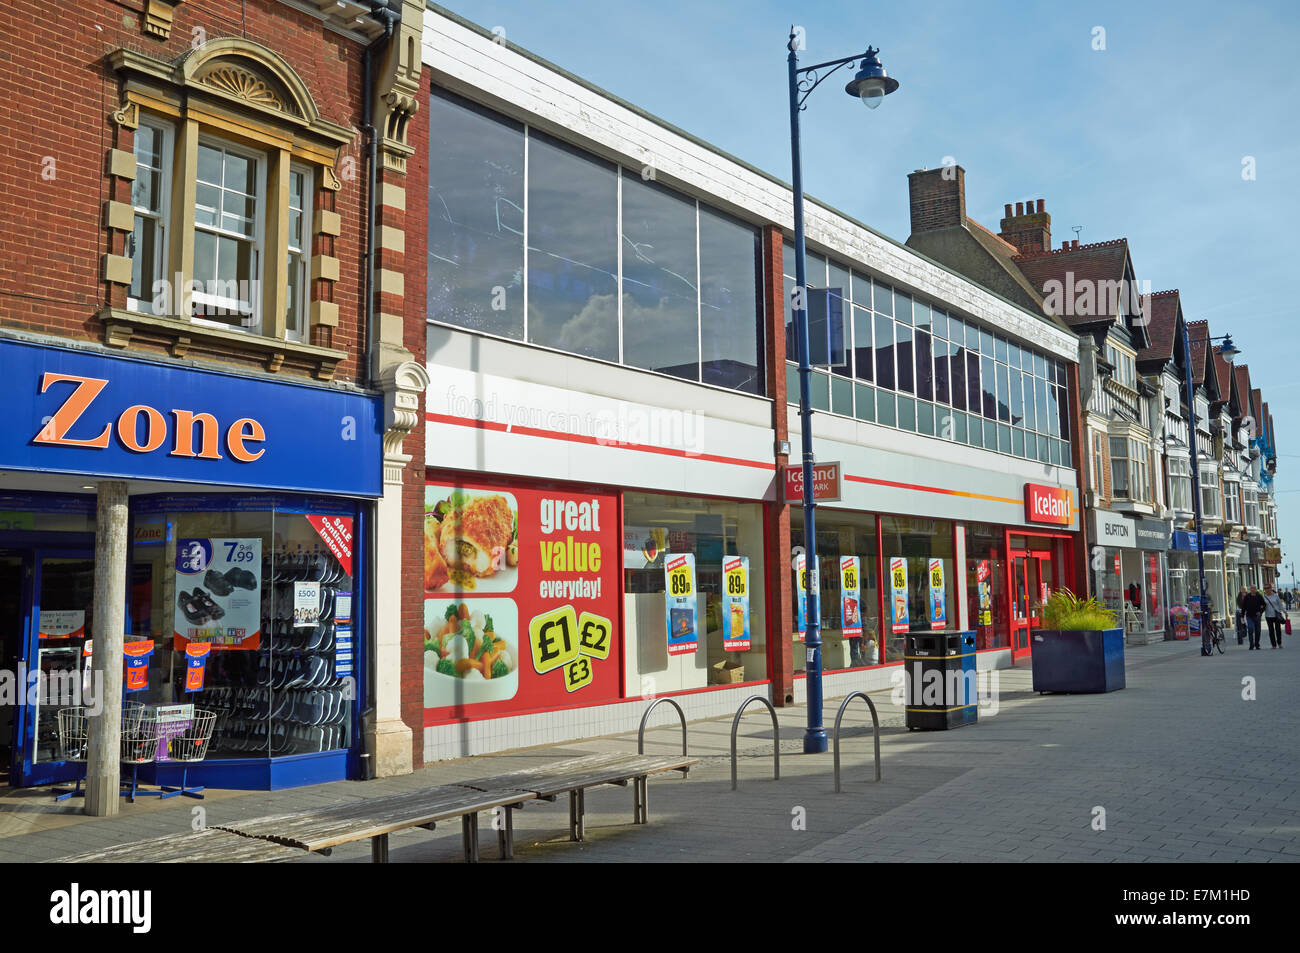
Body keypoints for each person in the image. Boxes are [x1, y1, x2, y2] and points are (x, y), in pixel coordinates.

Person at [1242, 585, 1266, 651]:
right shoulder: (1247, 597)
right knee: (1250, 629)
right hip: (1249, 616)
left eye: (1254, 588)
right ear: (1250, 589)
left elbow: (1264, 605)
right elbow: (1243, 606)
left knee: (1258, 631)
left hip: (1257, 616)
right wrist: (1242, 616)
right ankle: (1251, 645)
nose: (1252, 589)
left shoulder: (1259, 596)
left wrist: (1260, 612)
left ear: (1256, 589)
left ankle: (1257, 644)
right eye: (1251, 588)